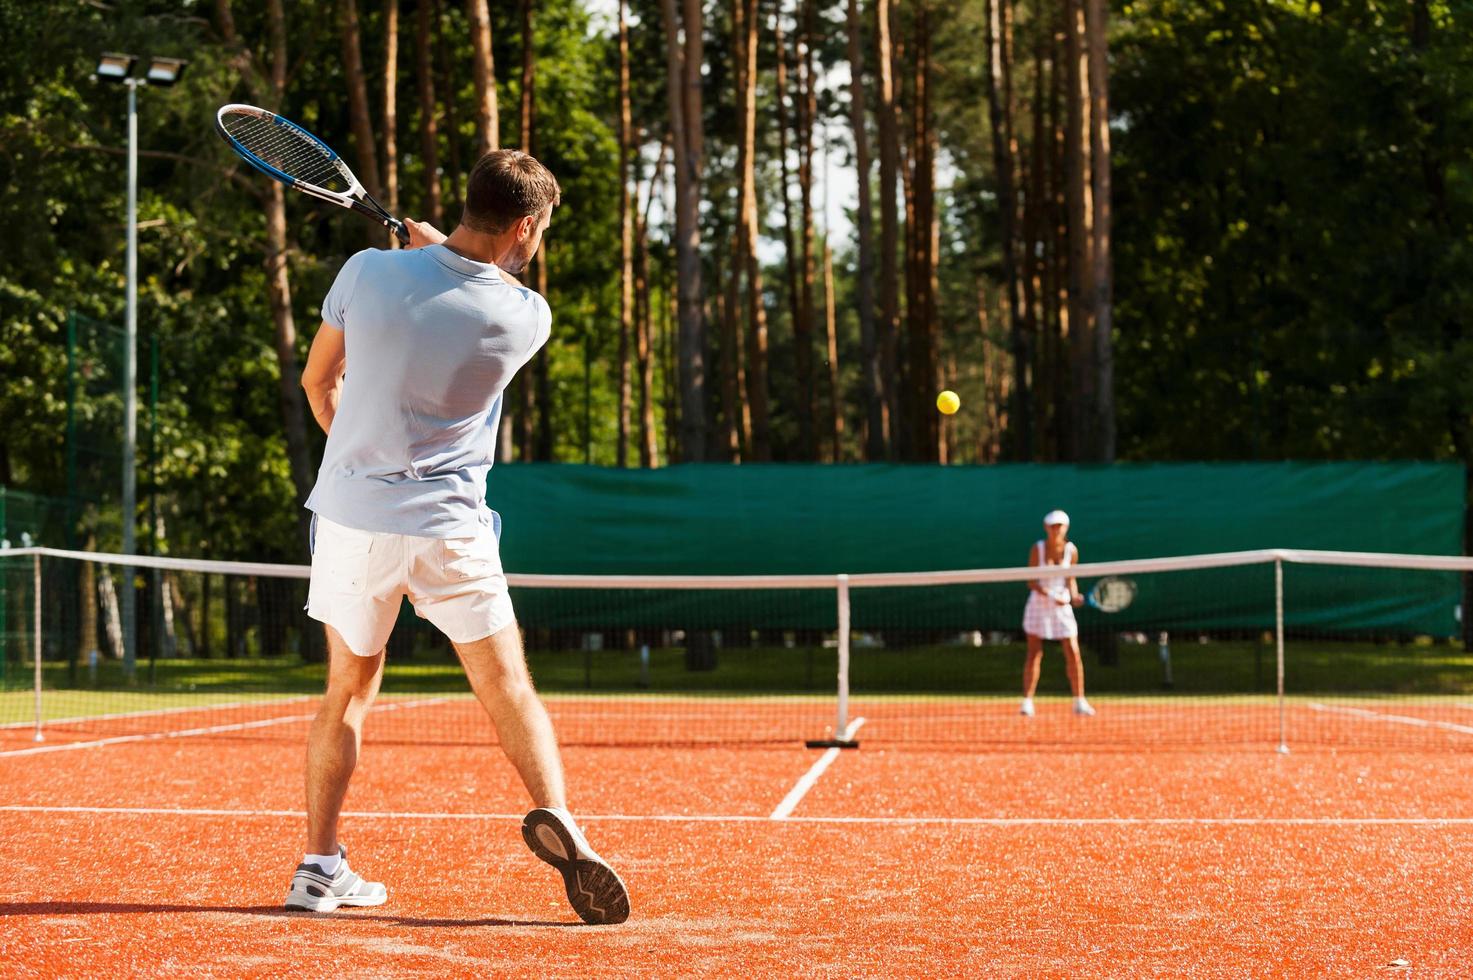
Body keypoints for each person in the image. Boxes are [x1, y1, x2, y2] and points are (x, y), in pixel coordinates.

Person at [282, 150, 630, 925]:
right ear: (526, 225)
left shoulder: (365, 273)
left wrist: (355, 460)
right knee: (507, 686)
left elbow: (317, 382)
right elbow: (469, 287)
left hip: (351, 521)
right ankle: (559, 816)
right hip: (449, 530)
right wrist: (439, 256)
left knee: (347, 692)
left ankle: (317, 867)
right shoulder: (524, 317)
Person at [1020, 510, 1095, 718]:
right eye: (1052, 526)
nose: (1056, 529)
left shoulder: (1072, 551)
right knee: (1034, 653)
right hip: (1039, 605)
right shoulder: (1038, 549)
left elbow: (1070, 580)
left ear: (1066, 528)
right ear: (1046, 527)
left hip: (1061, 606)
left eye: (1060, 525)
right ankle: (1027, 701)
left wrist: (1074, 595)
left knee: (1073, 651)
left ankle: (1079, 701)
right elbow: (1031, 581)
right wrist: (1052, 595)